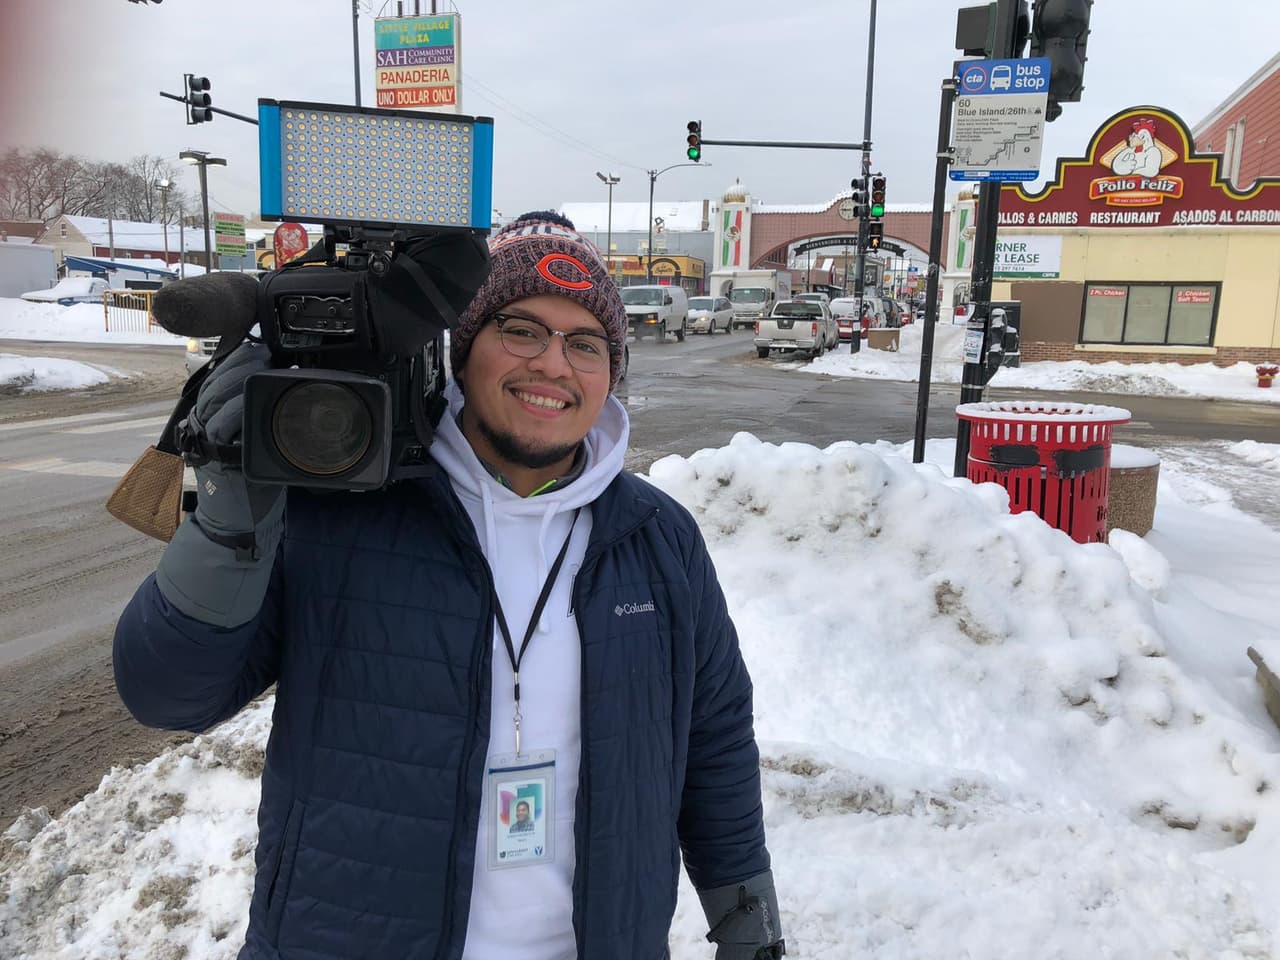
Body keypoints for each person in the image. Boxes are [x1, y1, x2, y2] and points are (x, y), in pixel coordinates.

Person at [114, 211, 784, 960]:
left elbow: (714, 735)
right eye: (520, 329)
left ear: (611, 374)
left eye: (586, 344)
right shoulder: (341, 511)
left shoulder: (658, 541)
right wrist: (230, 519)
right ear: (461, 352)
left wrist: (745, 914)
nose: (554, 366)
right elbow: (167, 695)